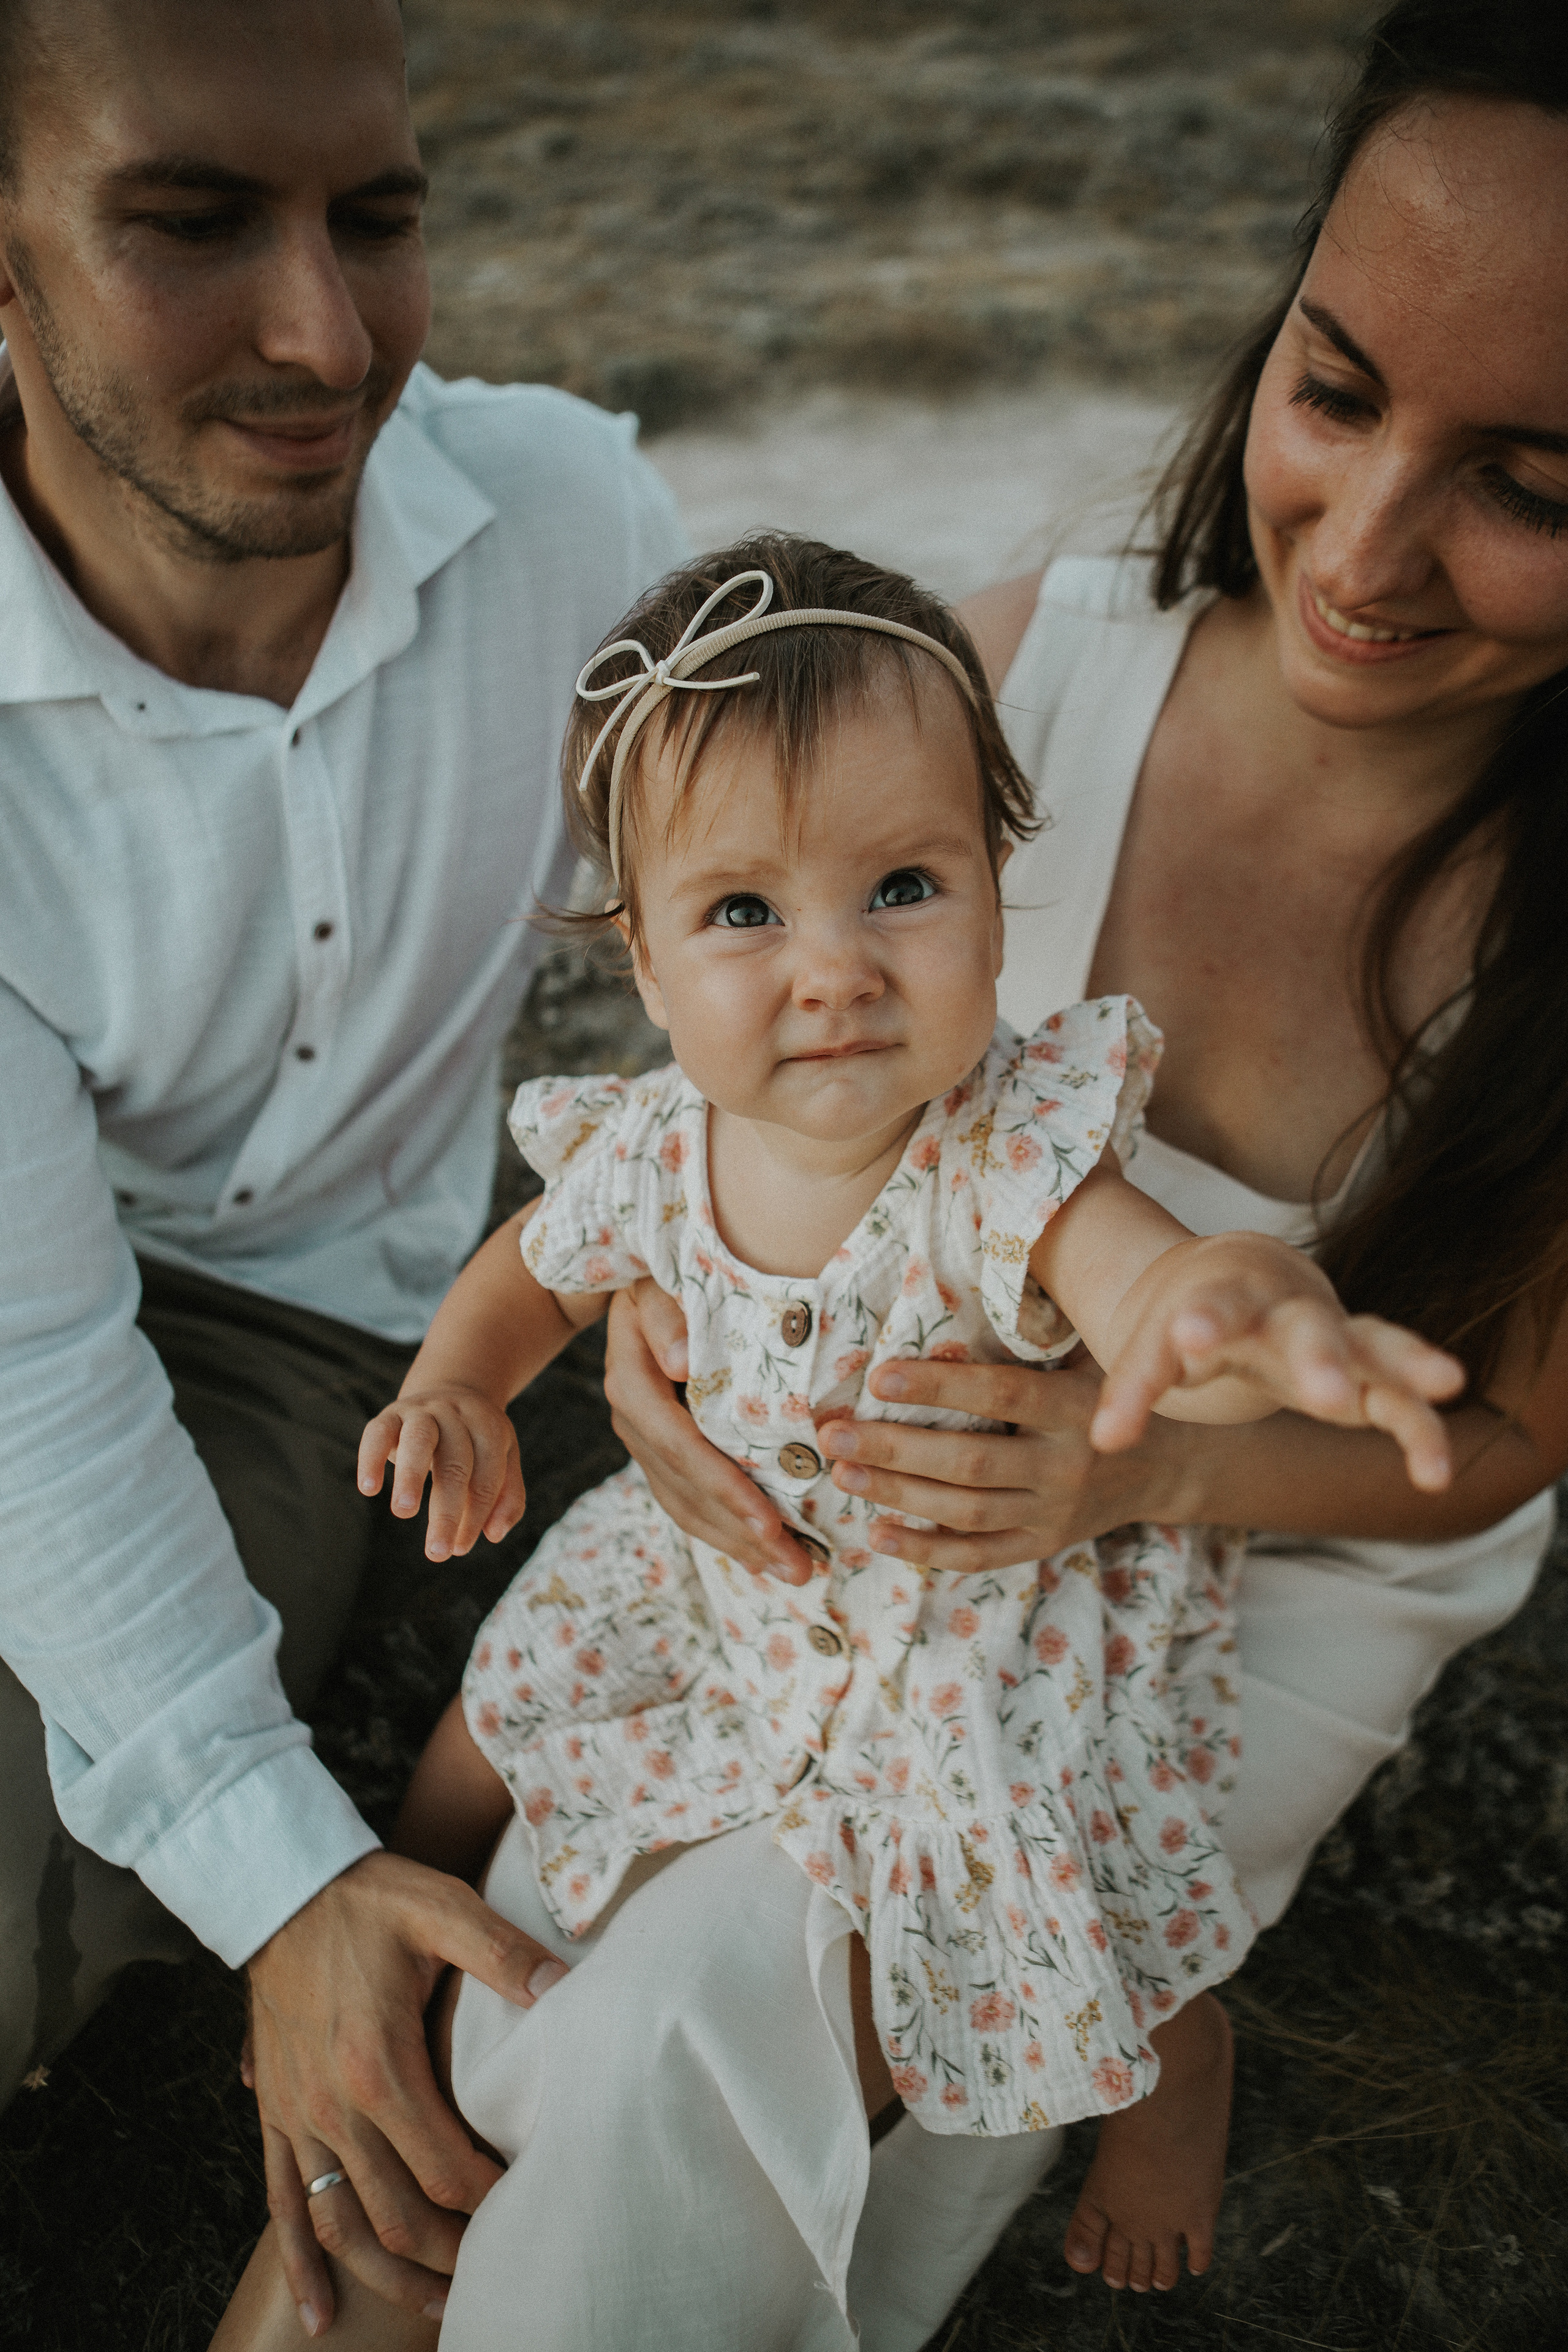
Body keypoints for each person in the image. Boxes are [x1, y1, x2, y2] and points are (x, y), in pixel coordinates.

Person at [215, 535, 1461, 2352]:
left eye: (901, 886)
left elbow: (1144, 1280)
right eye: (742, 914)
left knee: (1068, 1878)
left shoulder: (1001, 1149)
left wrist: (1226, 1313)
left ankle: (1175, 2074)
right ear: (639, 957)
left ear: (991, 883)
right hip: (721, 1577)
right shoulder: (656, 1146)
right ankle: (412, 1942)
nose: (833, 974)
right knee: (489, 1724)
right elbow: (528, 1270)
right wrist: (459, 1386)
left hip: (961, 1624)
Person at [591, 0, 1568, 2299]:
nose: (1368, 546)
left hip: (1273, 1562)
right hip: (896, 1487)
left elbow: (1508, 1444)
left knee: (755, 1979)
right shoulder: (1024, 679)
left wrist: (1133, 1480)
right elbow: (752, 1093)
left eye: (1534, 484)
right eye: (1336, 392)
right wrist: (667, 1326)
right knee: (582, 1883)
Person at [0, 0, 687, 2329]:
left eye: (375, 219)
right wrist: (296, 1887)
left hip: (287, 1328)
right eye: (191, 222)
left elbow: (841, 806)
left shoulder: (573, 519)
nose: (327, 334)